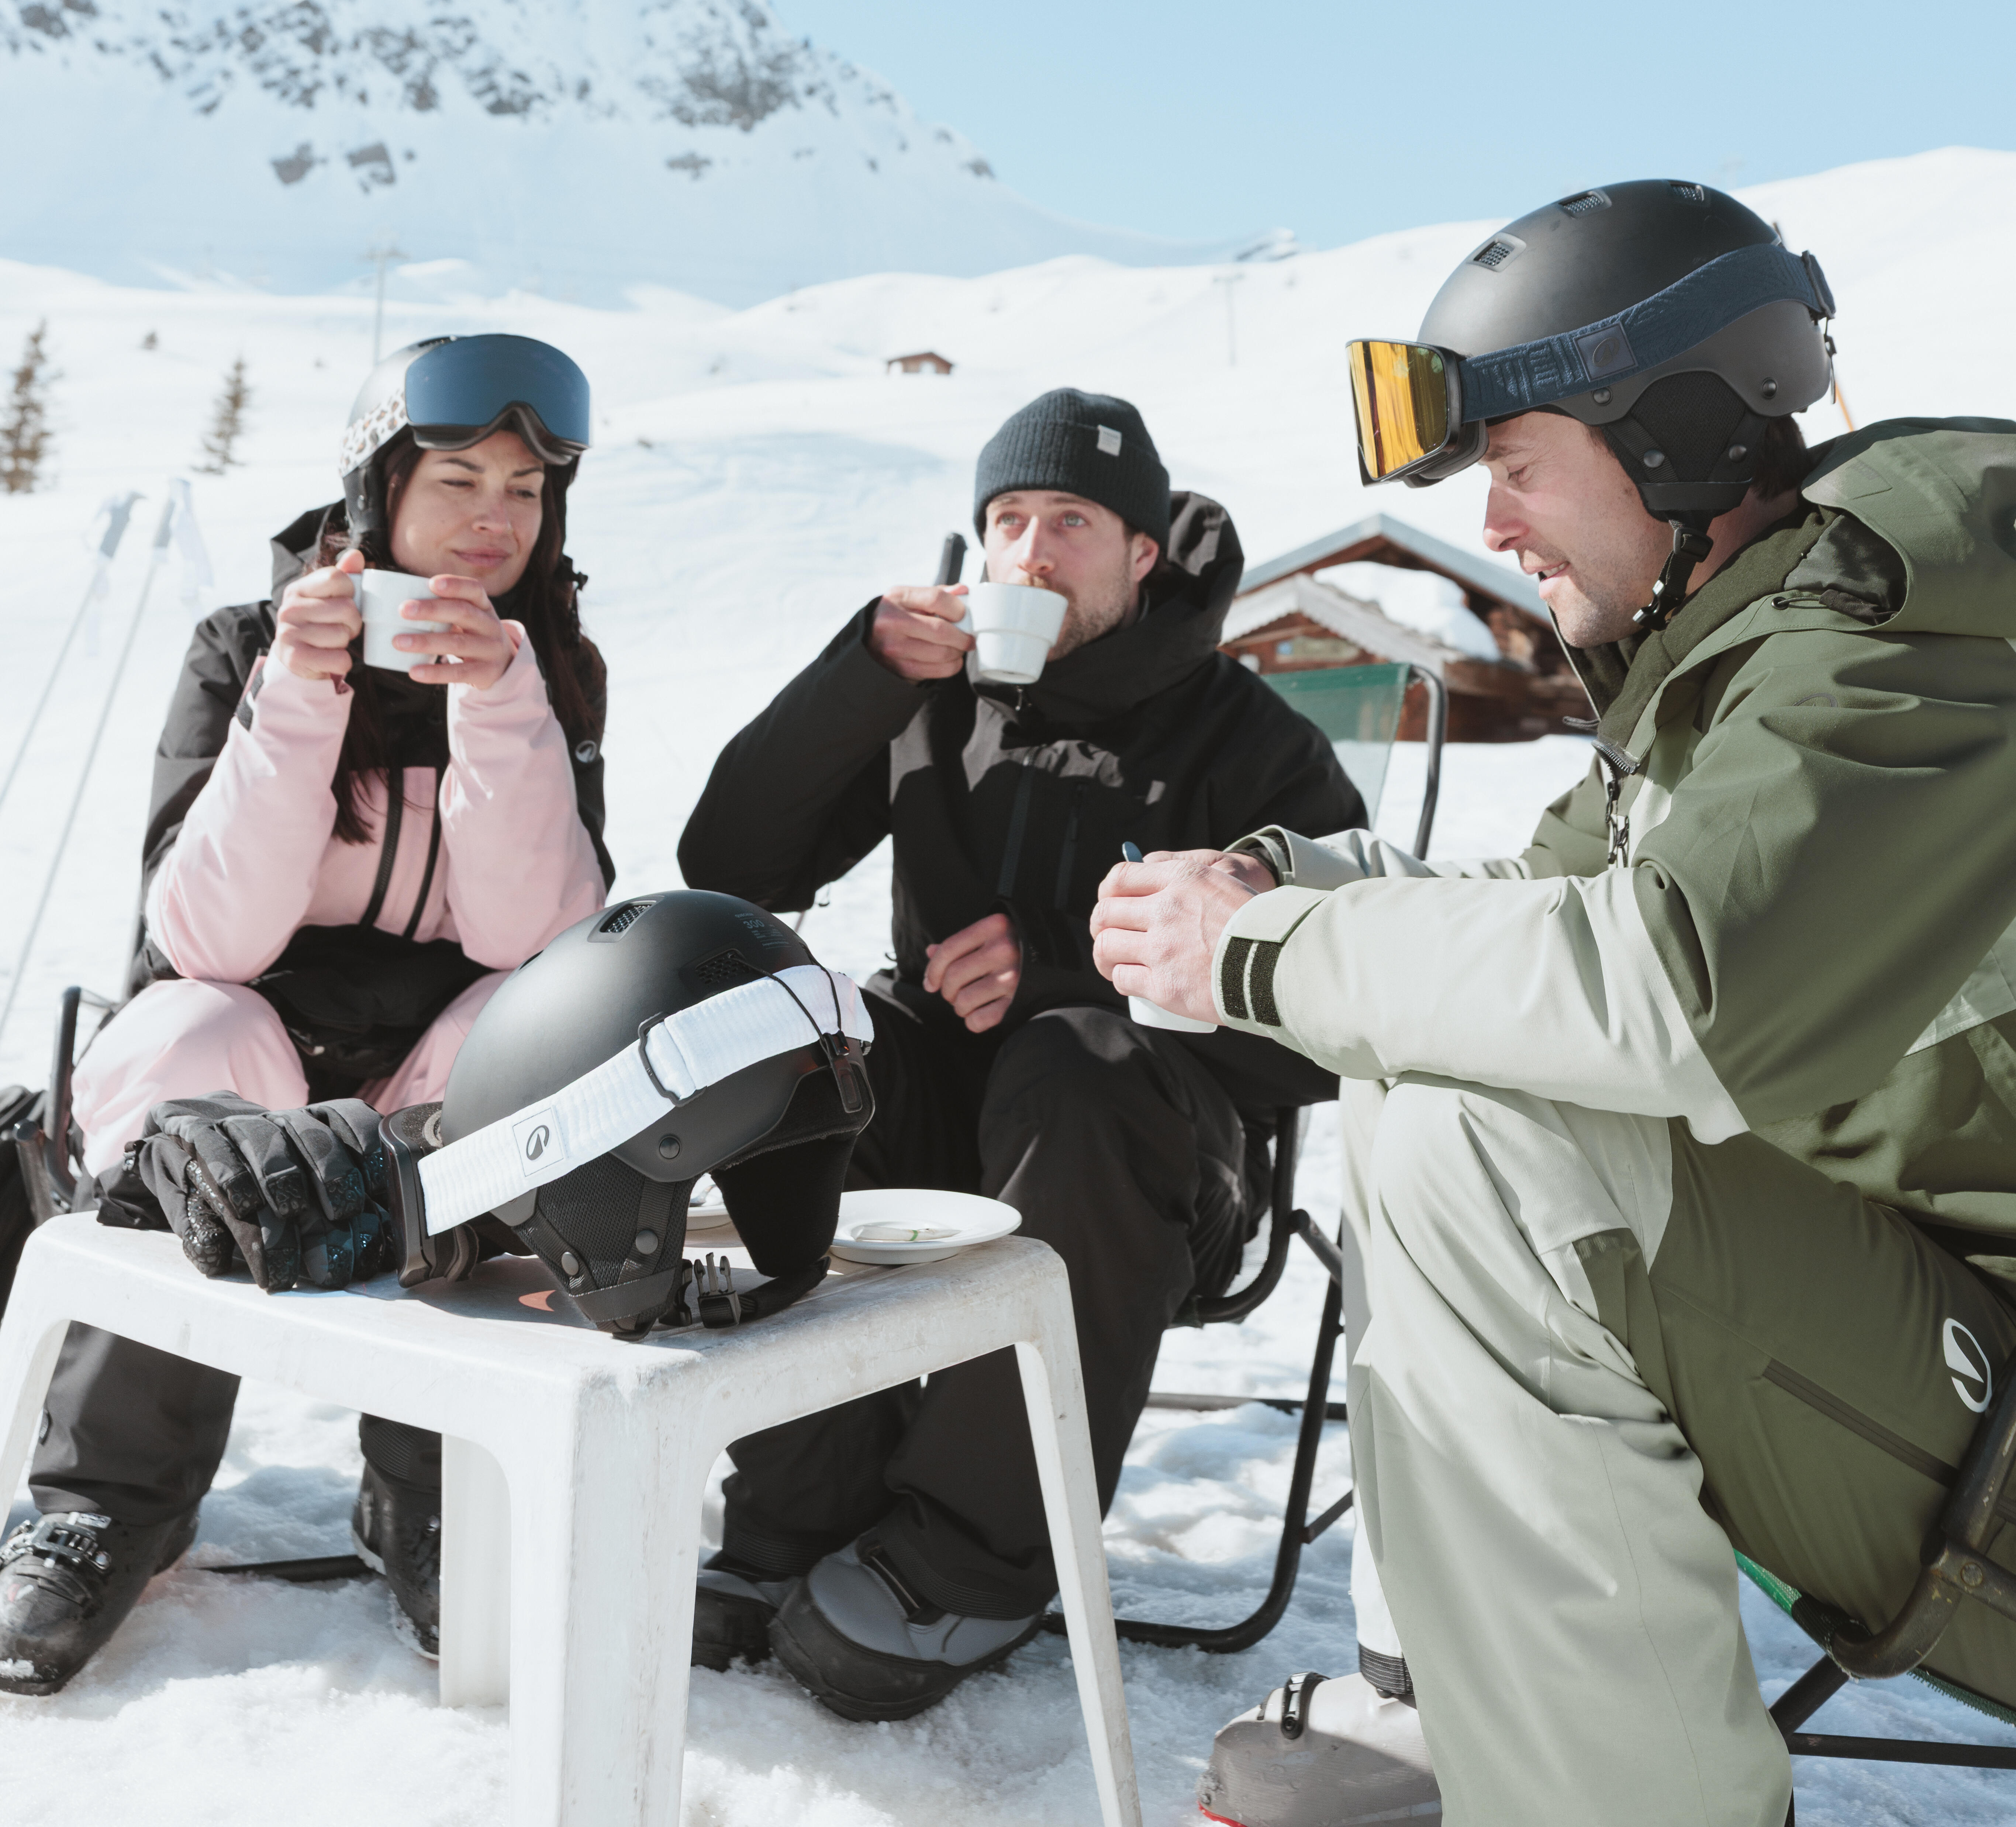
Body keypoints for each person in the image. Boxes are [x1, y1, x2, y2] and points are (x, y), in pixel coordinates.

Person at [1090, 180, 2016, 1827]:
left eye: (1515, 466)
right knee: (1441, 1054)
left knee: (1480, 1138)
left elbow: (1662, 988)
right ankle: (1482, 1709)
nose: (1496, 525)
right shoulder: (1734, 654)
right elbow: (1534, 923)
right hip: (1934, 1350)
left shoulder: (1902, 630)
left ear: (1671, 435)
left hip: (1991, 1436)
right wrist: (1289, 881)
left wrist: (1263, 951)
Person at [676, 384, 1366, 1718]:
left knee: (1076, 1059)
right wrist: (860, 674)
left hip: (1151, 1163)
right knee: (803, 1041)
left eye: (1073, 522)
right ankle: (794, 1519)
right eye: (1008, 521)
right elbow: (734, 865)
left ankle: (975, 1558)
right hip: (943, 1121)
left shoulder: (1253, 742)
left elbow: (1337, 1023)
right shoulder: (933, 703)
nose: (1034, 553)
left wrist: (1064, 979)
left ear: (1145, 554)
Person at [0, 332, 614, 1695]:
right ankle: (104, 1506)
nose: (492, 520)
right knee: (192, 1047)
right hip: (248, 1039)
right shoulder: (242, 644)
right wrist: (299, 696)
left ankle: (433, 1499)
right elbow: (204, 936)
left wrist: (501, 705)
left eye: (524, 490)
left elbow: (540, 942)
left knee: (539, 1067)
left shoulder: (555, 670)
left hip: (434, 1064)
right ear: (377, 489)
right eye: (457, 479)